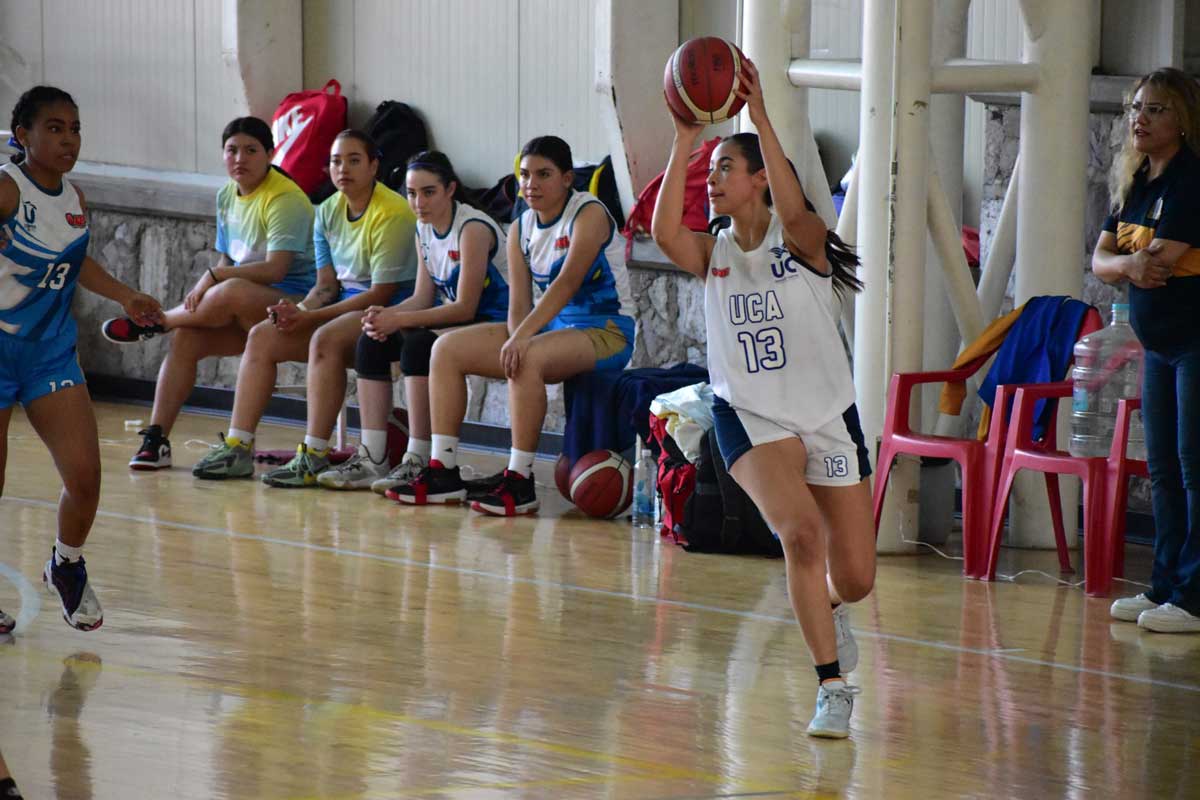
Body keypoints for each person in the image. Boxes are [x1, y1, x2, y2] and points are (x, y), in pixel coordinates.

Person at [651, 60, 875, 739]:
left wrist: (765, 118)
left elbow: (798, 207)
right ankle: (831, 686)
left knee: (857, 577)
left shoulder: (801, 240)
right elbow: (664, 232)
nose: (713, 178)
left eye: (726, 168)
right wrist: (686, 136)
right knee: (800, 536)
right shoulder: (712, 252)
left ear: (758, 180)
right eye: (711, 170)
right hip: (748, 413)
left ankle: (825, 611)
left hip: (828, 412)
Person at [389, 135, 634, 515]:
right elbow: (519, 303)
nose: (530, 184)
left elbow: (565, 285)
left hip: (607, 330)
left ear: (568, 179)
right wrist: (518, 333)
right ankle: (443, 471)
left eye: (543, 174)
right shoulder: (519, 227)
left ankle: (519, 483)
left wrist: (521, 339)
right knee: (445, 349)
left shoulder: (590, 214)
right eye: (523, 175)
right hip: (550, 327)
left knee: (528, 356)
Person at [1, 86, 162, 631]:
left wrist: (125, 295)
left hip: (48, 353)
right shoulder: (5, 188)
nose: (68, 139)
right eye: (54, 128)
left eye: (74, 128)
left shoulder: (75, 199)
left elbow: (74, 261)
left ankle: (65, 565)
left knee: (86, 476)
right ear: (23, 136)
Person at [191, 129, 417, 485]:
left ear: (374, 166)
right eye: (335, 161)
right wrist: (299, 310)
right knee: (264, 335)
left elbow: (381, 294)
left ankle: (314, 454)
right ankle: (238, 446)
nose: (343, 168)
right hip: (342, 312)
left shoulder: (394, 212)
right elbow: (326, 286)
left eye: (354, 160)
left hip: (391, 317)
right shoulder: (326, 211)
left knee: (323, 338)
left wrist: (311, 315)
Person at [101, 117, 317, 471]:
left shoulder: (285, 199)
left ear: (270, 154)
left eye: (251, 150)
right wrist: (214, 278)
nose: (240, 158)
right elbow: (227, 257)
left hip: (293, 305)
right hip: (247, 308)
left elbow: (275, 269)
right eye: (232, 150)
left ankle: (159, 321)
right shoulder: (225, 196)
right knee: (186, 338)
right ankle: (156, 440)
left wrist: (214, 276)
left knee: (228, 288)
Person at [317, 151, 510, 492]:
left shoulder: (472, 229)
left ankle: (417, 458)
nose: (418, 202)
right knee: (372, 338)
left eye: (428, 192)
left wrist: (401, 318)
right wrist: (386, 315)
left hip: (499, 322)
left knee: (419, 345)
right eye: (411, 193)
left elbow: (465, 307)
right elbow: (423, 297)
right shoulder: (423, 228)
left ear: (450, 189)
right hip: (463, 323)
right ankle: (373, 457)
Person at [1099, 68, 1200, 634]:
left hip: (1193, 340)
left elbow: (1154, 263)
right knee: (1161, 468)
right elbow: (1104, 262)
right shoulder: (1136, 182)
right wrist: (1125, 266)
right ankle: (1163, 584)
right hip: (1157, 345)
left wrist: (1128, 266)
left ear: (1182, 121)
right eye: (1136, 107)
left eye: (1156, 109)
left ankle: (1193, 595)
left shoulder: (1190, 182)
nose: (1140, 117)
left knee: (1194, 467)